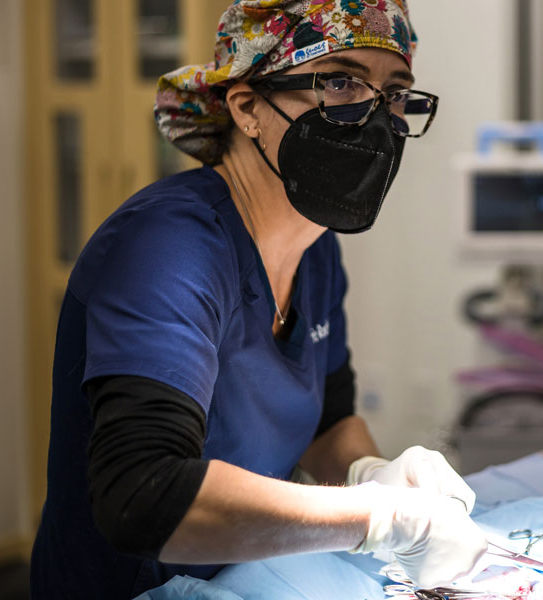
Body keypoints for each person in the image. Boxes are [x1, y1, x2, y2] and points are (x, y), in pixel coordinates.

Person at [29, 1, 489, 598]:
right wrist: (380, 518)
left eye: (396, 93)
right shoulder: (167, 247)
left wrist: (371, 472)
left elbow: (328, 419)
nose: (376, 117)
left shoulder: (315, 251)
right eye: (341, 81)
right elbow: (145, 495)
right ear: (247, 107)